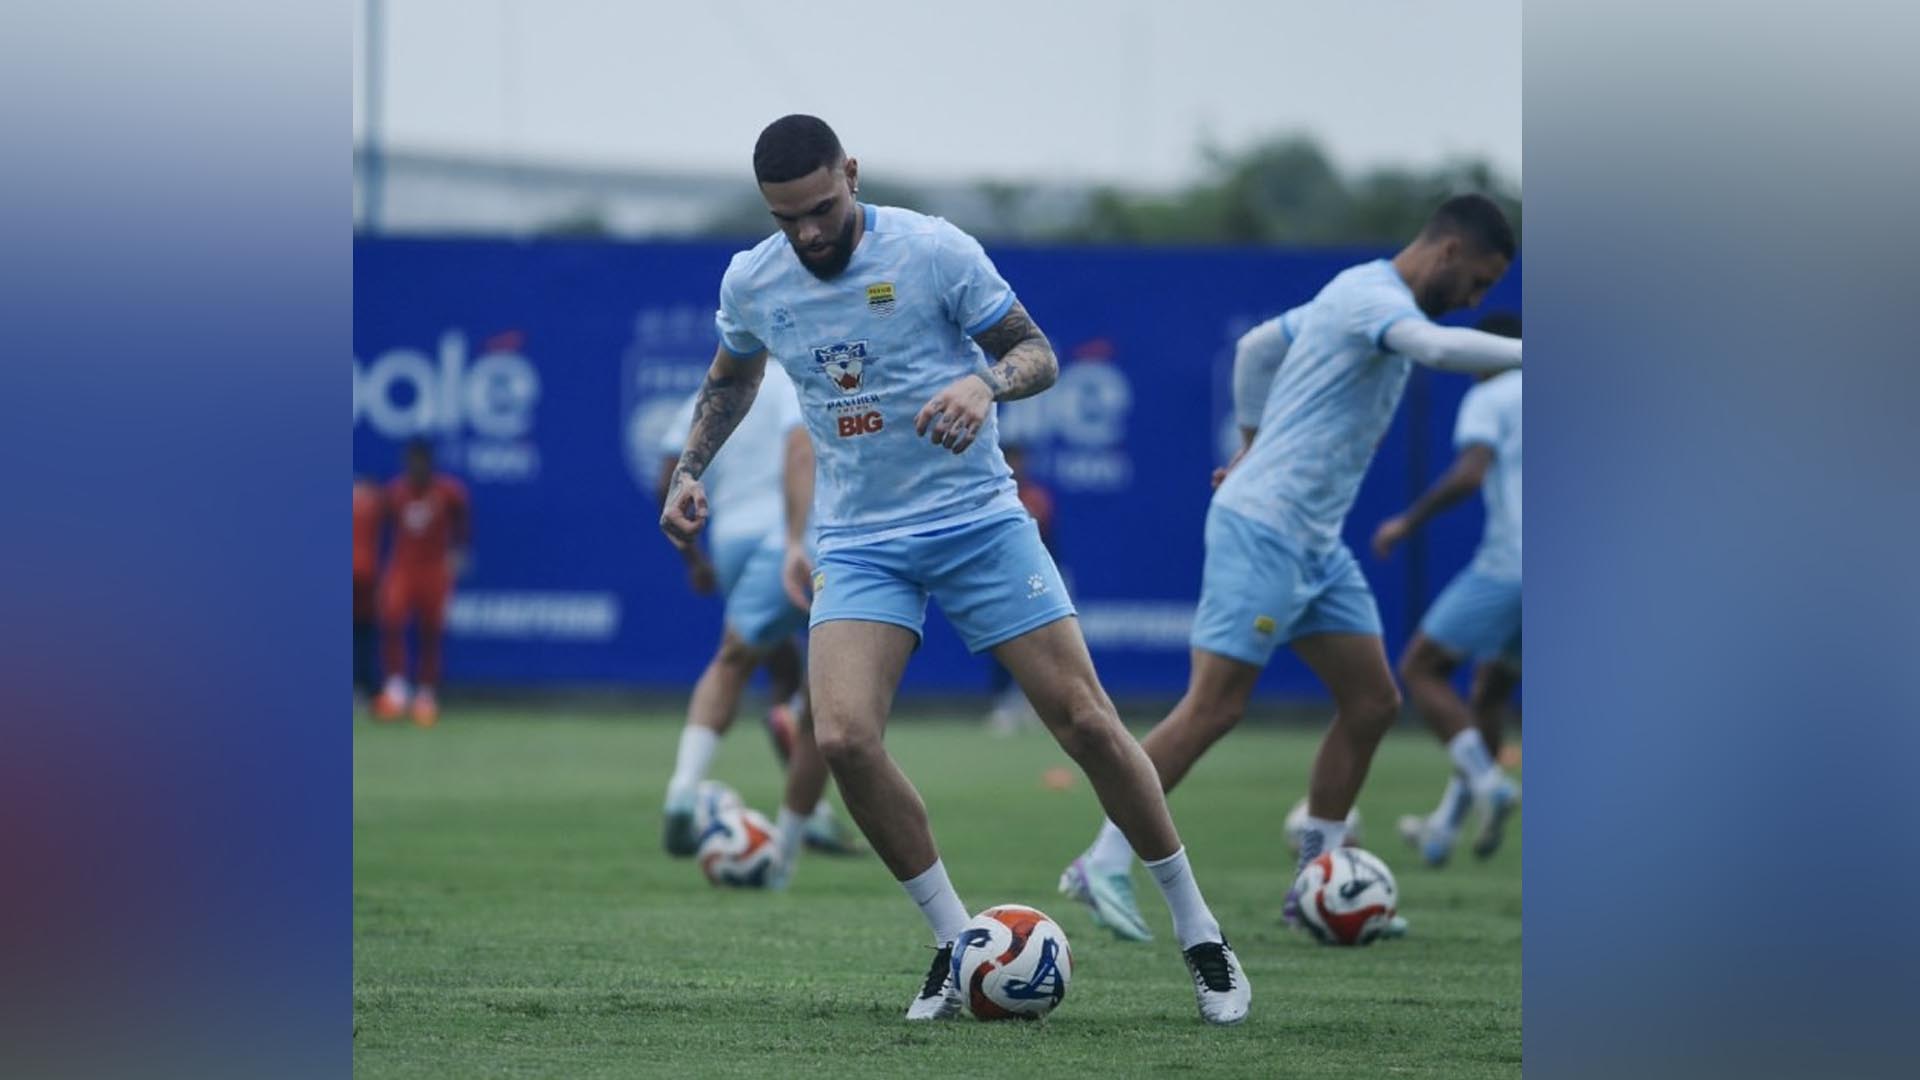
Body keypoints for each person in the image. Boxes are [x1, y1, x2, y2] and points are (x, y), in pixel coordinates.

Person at [660, 115, 1248, 1025]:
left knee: (1086, 722)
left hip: (976, 521)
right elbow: (734, 377)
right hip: (858, 541)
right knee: (843, 738)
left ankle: (1199, 930)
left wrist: (986, 383)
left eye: (820, 209)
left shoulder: (933, 250)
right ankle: (952, 940)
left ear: (851, 173)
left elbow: (1035, 352)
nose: (808, 234)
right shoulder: (754, 278)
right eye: (788, 220)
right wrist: (690, 468)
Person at [1059, 194, 1521, 942]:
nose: (1477, 299)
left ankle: (1318, 881)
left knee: (1372, 701)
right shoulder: (1374, 297)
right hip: (1263, 525)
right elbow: (1436, 351)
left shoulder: (1350, 292)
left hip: (1313, 539)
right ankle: (1102, 861)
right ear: (1448, 253)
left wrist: (1247, 440)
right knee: (1214, 707)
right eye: (1478, 282)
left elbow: (1252, 354)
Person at [655, 360, 862, 878]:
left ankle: (686, 791)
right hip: (789, 538)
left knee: (762, 663)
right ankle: (798, 827)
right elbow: (799, 449)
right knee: (816, 691)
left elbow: (668, 468)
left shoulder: (717, 387)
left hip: (729, 541)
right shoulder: (798, 374)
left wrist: (693, 557)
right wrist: (794, 537)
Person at [1372, 313, 1523, 866]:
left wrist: (1406, 523)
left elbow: (1469, 473)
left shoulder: (1493, 392)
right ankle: (1444, 828)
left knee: (1419, 669)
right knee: (1489, 692)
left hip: (1512, 563)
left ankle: (1489, 782)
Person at [372, 440, 469, 727]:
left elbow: (463, 522)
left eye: (420, 462)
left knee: (432, 631)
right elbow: (381, 526)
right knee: (392, 621)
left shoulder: (449, 493)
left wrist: (459, 553)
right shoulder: (395, 492)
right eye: (410, 462)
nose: (415, 468)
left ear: (429, 463)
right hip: (403, 568)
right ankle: (396, 689)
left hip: (435, 570)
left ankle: (426, 695)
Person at [983, 445, 1055, 734]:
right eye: (1011, 458)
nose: (1016, 464)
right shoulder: (991, 496)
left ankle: (1037, 706)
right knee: (1004, 642)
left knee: (1044, 643)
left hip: (1037, 578)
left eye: (1019, 459)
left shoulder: (1037, 498)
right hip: (1000, 578)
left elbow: (1051, 544)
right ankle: (1003, 705)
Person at [353, 475, 385, 702]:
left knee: (363, 630)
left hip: (365, 574)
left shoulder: (375, 500)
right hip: (367, 573)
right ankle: (362, 687)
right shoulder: (375, 499)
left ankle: (362, 687)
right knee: (362, 631)